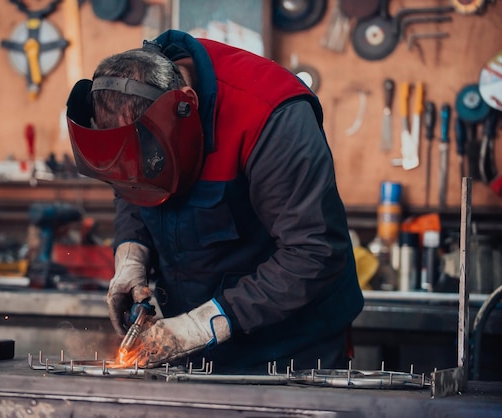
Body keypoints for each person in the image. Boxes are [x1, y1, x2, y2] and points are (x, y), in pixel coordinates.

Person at [66, 29, 364, 373]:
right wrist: (131, 256)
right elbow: (132, 190)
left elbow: (315, 252)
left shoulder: (270, 115)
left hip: (293, 348)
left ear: (187, 104)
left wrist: (200, 325)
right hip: (195, 349)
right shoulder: (135, 113)